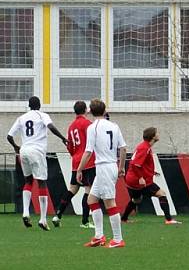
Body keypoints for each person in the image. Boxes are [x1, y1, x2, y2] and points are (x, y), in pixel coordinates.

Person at [6, 96, 68, 230]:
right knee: (41, 182)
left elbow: (9, 136)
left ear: (29, 106)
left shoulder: (21, 118)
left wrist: (16, 147)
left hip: (24, 150)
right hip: (37, 151)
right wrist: (63, 138)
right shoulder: (42, 115)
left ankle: (25, 212)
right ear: (39, 105)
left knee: (28, 181)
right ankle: (43, 219)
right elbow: (50, 127)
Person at [77, 99, 127, 248]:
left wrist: (79, 169)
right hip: (110, 166)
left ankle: (118, 239)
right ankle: (99, 236)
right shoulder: (114, 126)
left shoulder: (93, 127)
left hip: (104, 167)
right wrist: (121, 167)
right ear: (105, 111)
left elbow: (88, 151)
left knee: (110, 203)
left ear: (91, 112)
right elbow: (123, 148)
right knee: (91, 200)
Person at [122, 127, 181, 225]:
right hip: (138, 180)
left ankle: (124, 219)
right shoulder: (144, 148)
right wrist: (141, 178)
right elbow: (136, 164)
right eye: (157, 133)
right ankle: (169, 220)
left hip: (132, 180)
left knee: (136, 199)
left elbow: (138, 163)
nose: (158, 134)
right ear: (153, 137)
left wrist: (151, 172)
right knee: (161, 194)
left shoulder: (144, 146)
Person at [53, 101, 96, 229]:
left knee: (72, 189)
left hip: (76, 161)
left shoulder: (71, 126)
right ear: (86, 110)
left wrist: (75, 154)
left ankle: (58, 215)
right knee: (88, 190)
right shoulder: (88, 124)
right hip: (87, 161)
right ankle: (84, 221)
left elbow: (70, 146)